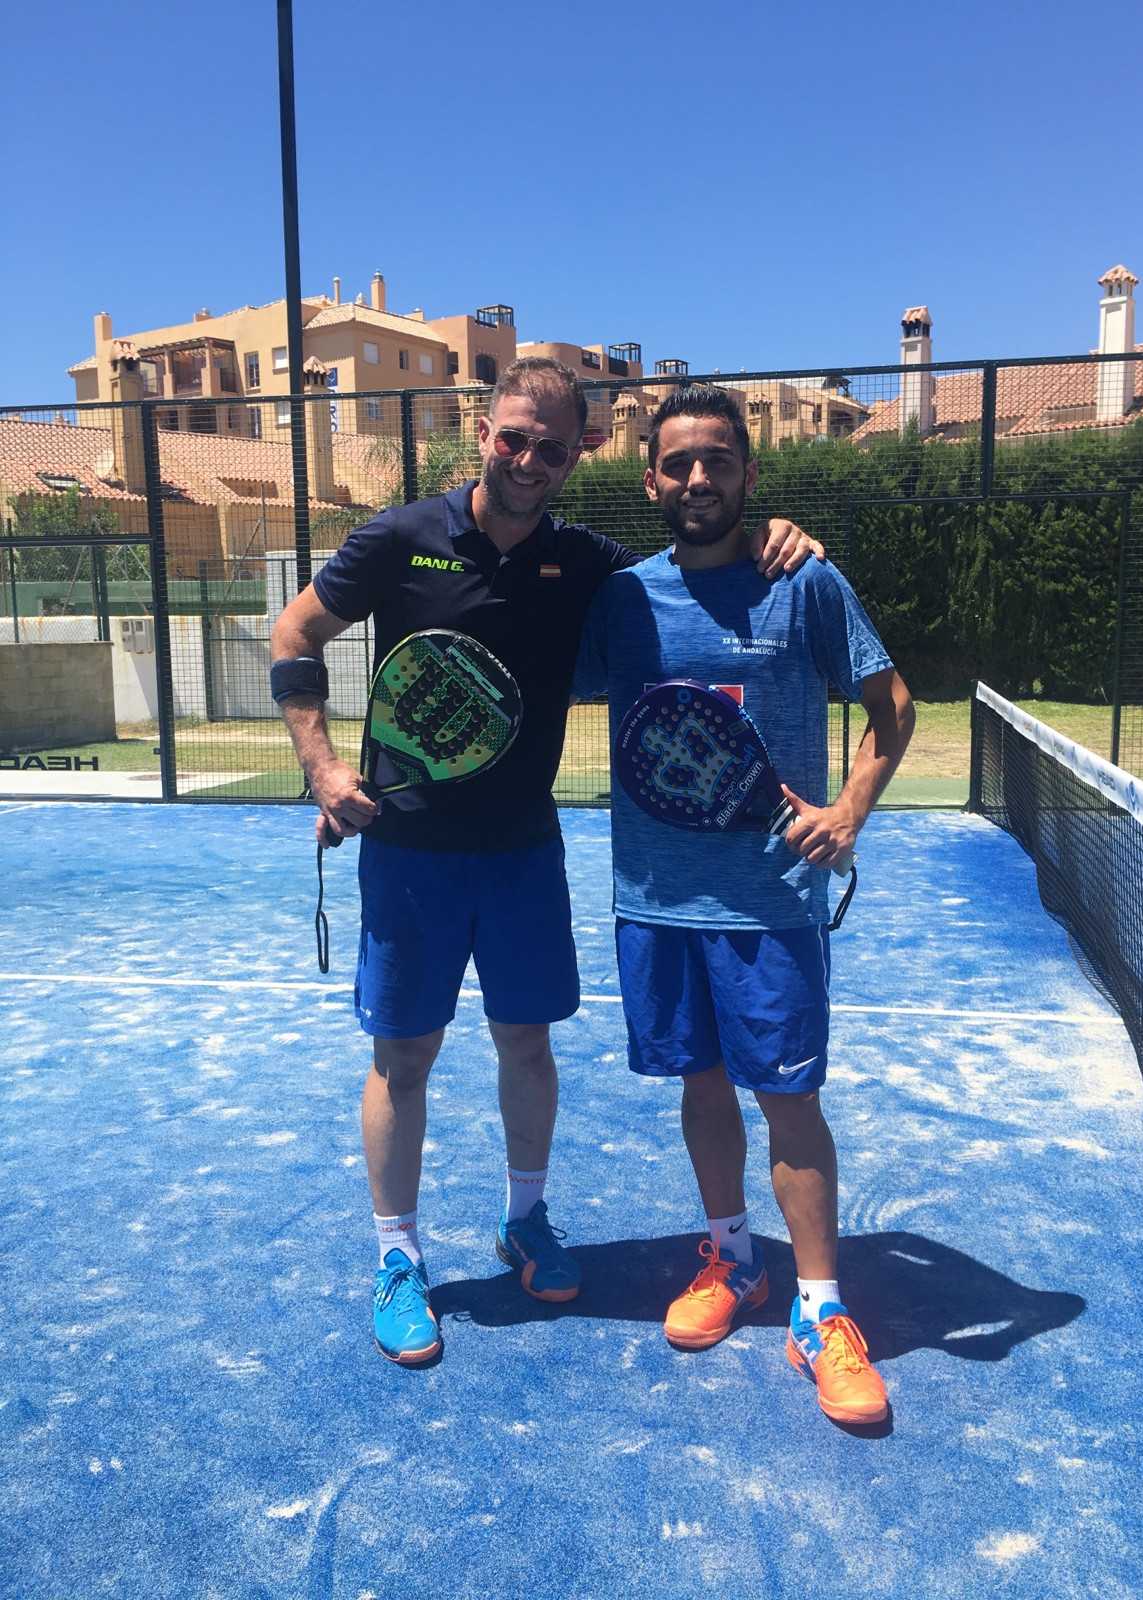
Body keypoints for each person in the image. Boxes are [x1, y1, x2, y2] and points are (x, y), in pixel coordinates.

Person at [270, 358, 820, 1366]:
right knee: (404, 1057)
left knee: (526, 1045)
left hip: (524, 851)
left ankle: (525, 1220)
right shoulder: (400, 537)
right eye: (515, 439)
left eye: (552, 448)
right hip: (409, 855)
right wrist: (322, 766)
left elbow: (696, 560)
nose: (529, 460)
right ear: (485, 433)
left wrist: (774, 536)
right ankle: (399, 1257)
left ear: (579, 456)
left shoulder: (589, 564)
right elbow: (295, 629)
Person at [573, 384, 914, 1424]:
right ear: (650, 481)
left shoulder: (804, 581)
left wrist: (848, 812)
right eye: (678, 463)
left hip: (771, 904)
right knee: (702, 1083)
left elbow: (893, 708)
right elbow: (536, 650)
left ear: (749, 474)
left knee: (790, 1101)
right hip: (658, 899)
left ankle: (821, 1308)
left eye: (717, 461)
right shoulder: (622, 599)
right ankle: (732, 1259)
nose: (698, 479)